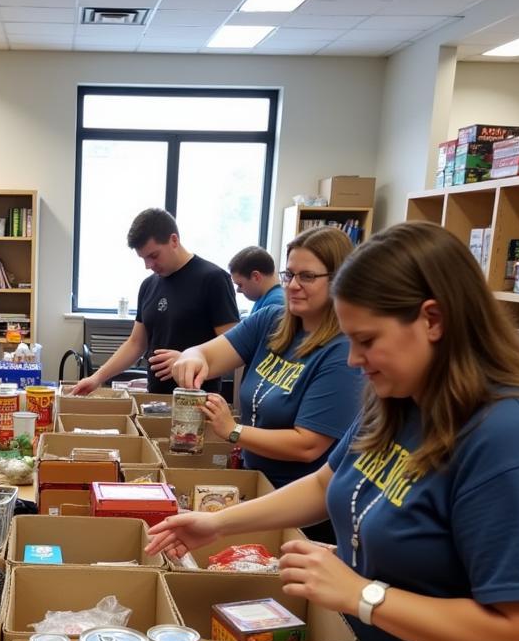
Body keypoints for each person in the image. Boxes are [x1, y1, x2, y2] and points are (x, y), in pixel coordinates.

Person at [147, 220, 519, 641]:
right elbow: (330, 483)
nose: (354, 359)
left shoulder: (506, 438)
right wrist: (216, 524)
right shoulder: (402, 398)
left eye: (367, 340)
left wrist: (361, 594)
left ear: (433, 320)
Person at [172, 227, 363, 539]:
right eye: (289, 275)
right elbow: (206, 353)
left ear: (339, 280)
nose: (294, 286)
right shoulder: (271, 321)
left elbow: (307, 445)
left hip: (301, 508)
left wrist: (233, 430)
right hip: (255, 483)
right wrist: (192, 359)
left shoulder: (343, 352)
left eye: (308, 277)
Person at [71, 208, 239, 396]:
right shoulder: (148, 285)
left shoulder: (213, 279)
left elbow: (234, 349)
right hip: (155, 401)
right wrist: (97, 378)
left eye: (153, 256)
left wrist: (189, 360)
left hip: (197, 401)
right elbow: (136, 343)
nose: (148, 266)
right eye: (143, 259)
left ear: (174, 240)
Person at [228, 245, 285, 313]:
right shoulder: (265, 298)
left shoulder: (275, 303)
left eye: (240, 285)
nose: (238, 290)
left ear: (256, 277)